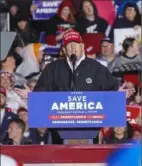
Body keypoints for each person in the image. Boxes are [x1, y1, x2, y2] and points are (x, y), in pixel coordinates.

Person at [15, 29, 135, 98]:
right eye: (68, 45)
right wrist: (31, 96)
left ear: (82, 46)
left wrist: (119, 95)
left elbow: (111, 88)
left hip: (90, 124)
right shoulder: (53, 68)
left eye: (75, 44)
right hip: (60, 125)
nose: (72, 47)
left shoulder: (96, 67)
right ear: (64, 49)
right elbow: (41, 91)